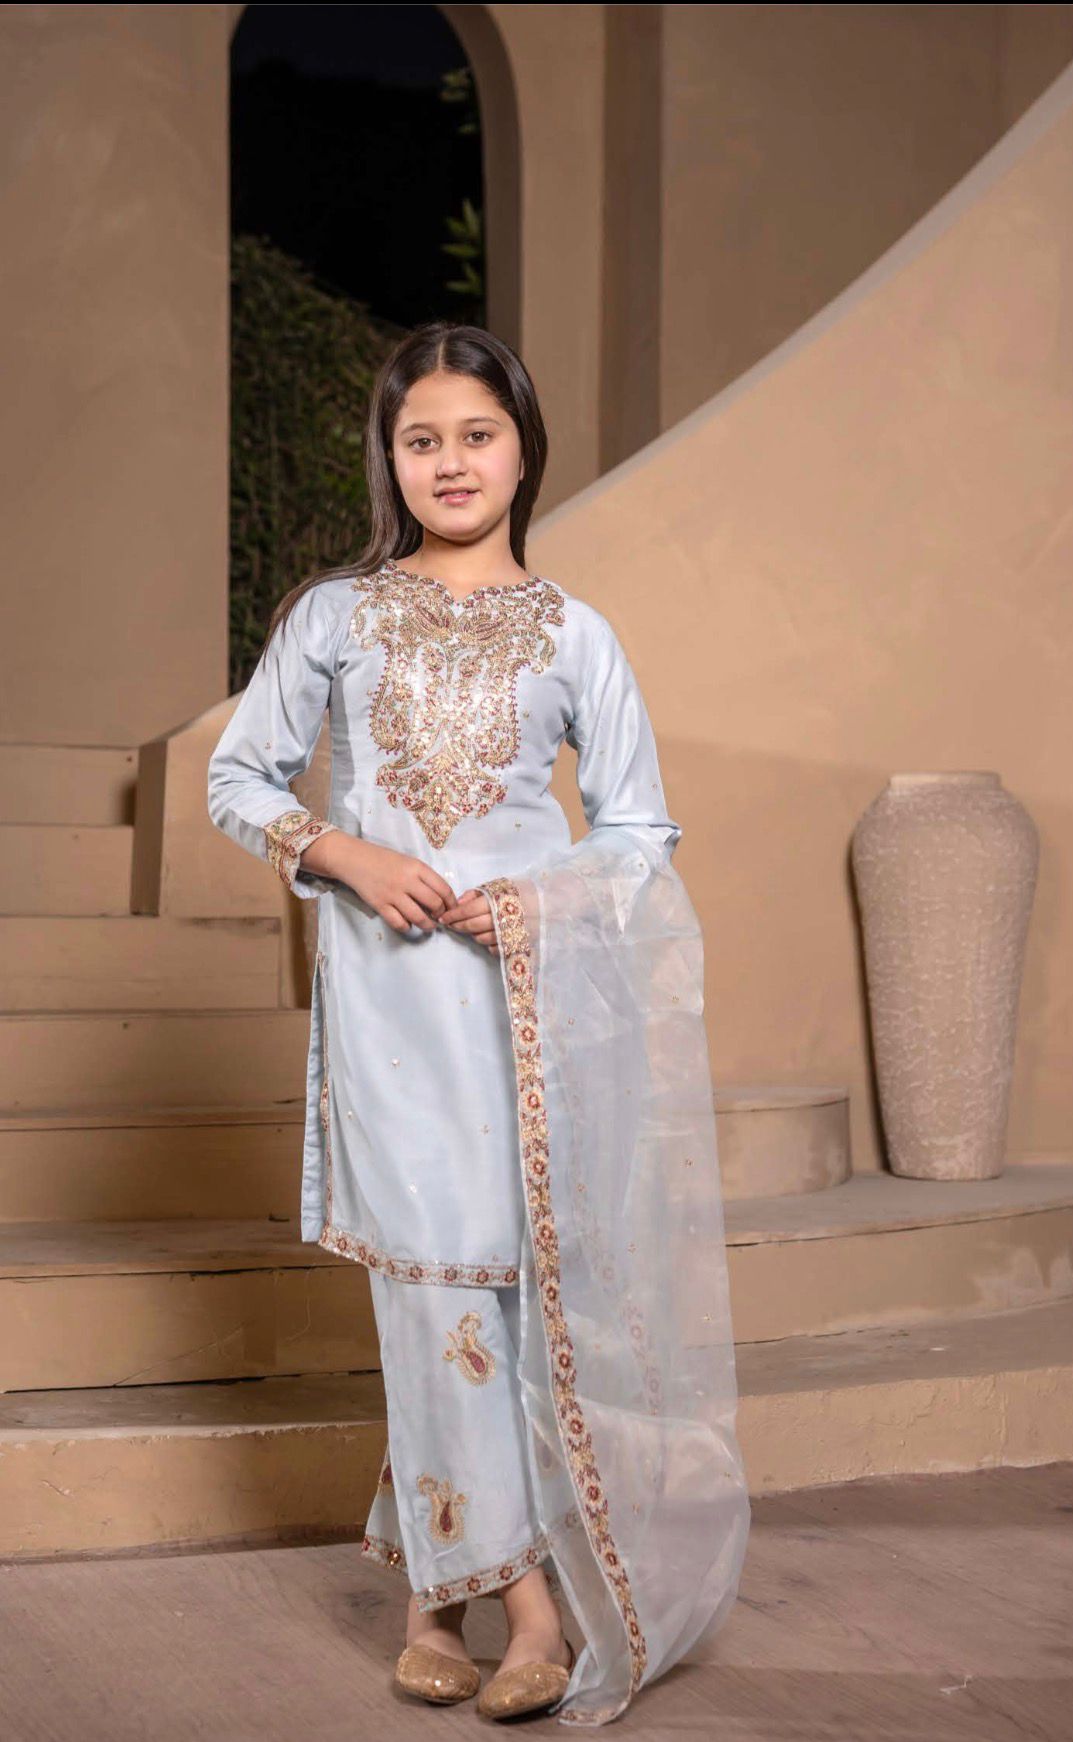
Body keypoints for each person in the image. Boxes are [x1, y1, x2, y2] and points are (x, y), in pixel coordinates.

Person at [206, 321, 750, 1726]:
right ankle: (531, 1610)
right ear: (389, 459)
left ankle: (429, 1598)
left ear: (522, 447)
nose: (449, 461)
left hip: (528, 1007)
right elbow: (238, 780)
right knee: (434, 1283)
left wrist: (533, 901)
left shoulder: (577, 634)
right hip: (391, 1007)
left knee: (511, 1294)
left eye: (475, 433)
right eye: (420, 438)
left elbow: (639, 829)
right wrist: (345, 855)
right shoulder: (335, 616)